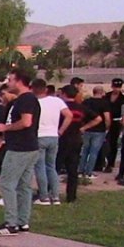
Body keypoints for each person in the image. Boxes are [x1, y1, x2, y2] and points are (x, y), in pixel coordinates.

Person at [0, 68, 39, 236]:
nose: (8, 83)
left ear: (19, 81)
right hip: (28, 147)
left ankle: (11, 223)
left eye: (10, 80)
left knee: (6, 183)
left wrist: (5, 128)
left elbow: (26, 122)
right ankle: (22, 222)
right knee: (24, 186)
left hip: (20, 148)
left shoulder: (26, 99)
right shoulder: (22, 100)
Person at [33, 78, 73, 206]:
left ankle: (43, 196)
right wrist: (61, 130)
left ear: (33, 89)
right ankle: (55, 196)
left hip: (39, 136)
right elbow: (69, 115)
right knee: (51, 166)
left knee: (40, 167)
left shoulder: (33, 102)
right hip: (53, 136)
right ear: (45, 89)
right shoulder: (57, 101)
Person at [59, 84, 98, 202]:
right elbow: (98, 119)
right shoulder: (81, 108)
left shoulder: (61, 107)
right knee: (73, 169)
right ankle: (71, 196)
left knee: (54, 167)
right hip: (76, 139)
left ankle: (50, 192)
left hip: (62, 138)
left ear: (63, 94)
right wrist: (84, 128)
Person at [79, 86, 111, 180]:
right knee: (94, 152)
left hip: (86, 129)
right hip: (99, 130)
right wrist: (107, 127)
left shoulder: (86, 102)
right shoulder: (105, 103)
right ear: (102, 93)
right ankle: (89, 172)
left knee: (85, 151)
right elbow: (107, 118)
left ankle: (80, 170)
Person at [97, 78, 124, 172]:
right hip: (105, 120)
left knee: (113, 143)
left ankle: (110, 163)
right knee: (101, 142)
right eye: (115, 87)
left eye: (118, 87)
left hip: (116, 121)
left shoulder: (122, 98)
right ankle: (99, 163)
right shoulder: (107, 96)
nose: (116, 89)